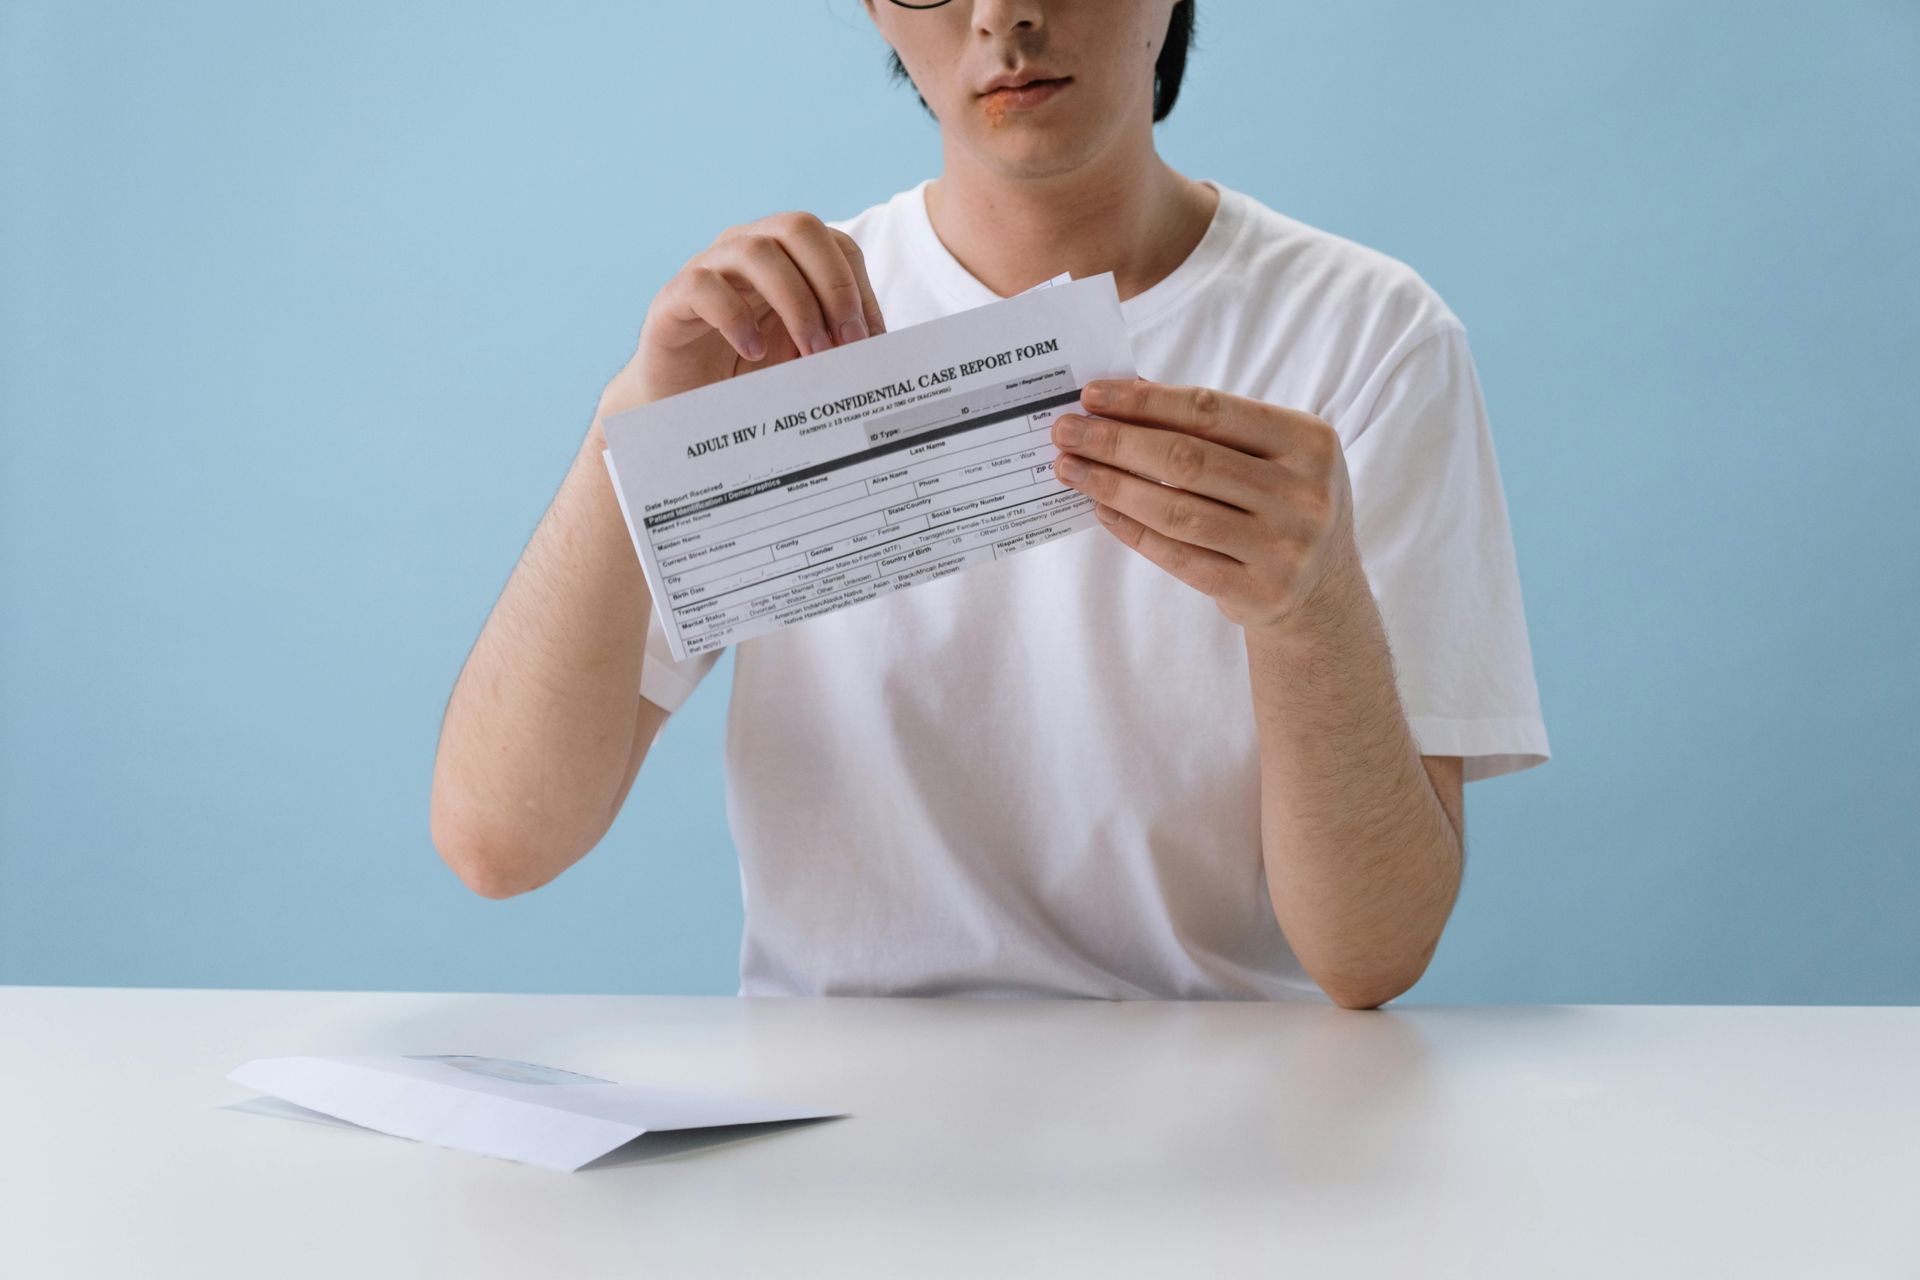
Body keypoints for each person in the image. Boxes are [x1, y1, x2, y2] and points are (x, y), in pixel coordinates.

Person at [429, 0, 1550, 1009]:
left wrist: (1313, 613)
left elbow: (1372, 955)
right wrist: (627, 432)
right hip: (838, 1128)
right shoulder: (780, 345)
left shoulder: (1370, 338)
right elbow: (499, 841)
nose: (1005, 15)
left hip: (1233, 1125)